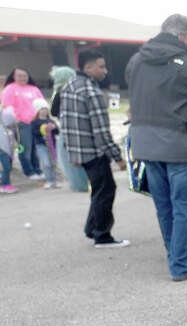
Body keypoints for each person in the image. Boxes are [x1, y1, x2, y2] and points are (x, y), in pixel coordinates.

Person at [126, 14, 187, 281]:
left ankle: (175, 257)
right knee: (183, 206)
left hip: (145, 144)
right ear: (182, 36)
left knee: (164, 205)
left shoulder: (136, 61)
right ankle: (178, 266)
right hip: (179, 143)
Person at [59, 49, 129, 248]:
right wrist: (118, 157)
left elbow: (66, 123)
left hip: (80, 151)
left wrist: (72, 153)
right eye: (101, 66)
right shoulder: (91, 91)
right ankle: (102, 235)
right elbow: (101, 131)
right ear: (88, 68)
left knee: (99, 190)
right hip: (95, 151)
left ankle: (92, 228)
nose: (105, 71)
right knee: (105, 190)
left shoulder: (69, 86)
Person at [49, 65, 88, 192]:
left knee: (69, 159)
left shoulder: (60, 92)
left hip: (67, 130)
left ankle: (79, 184)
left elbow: (54, 112)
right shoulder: (81, 89)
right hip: (82, 129)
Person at [2, 67, 46, 179]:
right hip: (21, 123)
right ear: (14, 77)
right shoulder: (10, 89)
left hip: (36, 122)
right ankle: (29, 171)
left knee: (35, 148)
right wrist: (16, 119)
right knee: (25, 148)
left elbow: (41, 103)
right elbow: (7, 106)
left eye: (24, 76)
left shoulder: (34, 89)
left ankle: (37, 170)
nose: (22, 78)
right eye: (19, 76)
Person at [30, 99, 57, 188]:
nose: (44, 110)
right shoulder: (34, 122)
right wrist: (44, 130)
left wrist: (54, 128)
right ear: (37, 110)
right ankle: (48, 180)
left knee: (53, 163)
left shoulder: (51, 121)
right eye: (42, 109)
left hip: (52, 146)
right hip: (41, 145)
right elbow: (34, 133)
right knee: (46, 163)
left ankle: (54, 181)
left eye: (45, 108)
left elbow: (57, 132)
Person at [0, 106, 17, 192]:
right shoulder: (2, 128)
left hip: (7, 150)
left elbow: (12, 140)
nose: (12, 125)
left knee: (8, 167)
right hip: (3, 150)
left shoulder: (8, 130)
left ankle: (6, 184)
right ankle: (4, 185)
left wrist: (14, 145)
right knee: (7, 167)